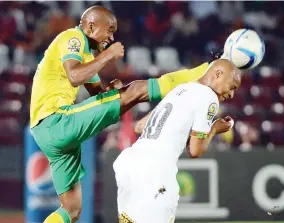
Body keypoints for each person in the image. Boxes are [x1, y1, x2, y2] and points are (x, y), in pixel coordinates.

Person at [29, 5, 222, 223]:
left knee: (71, 210)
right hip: (56, 120)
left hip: (46, 132)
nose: (111, 38)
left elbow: (98, 93)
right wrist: (108, 57)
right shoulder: (72, 37)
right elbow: (75, 76)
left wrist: (111, 89)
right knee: (138, 90)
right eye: (109, 30)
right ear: (91, 26)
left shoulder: (85, 54)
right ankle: (203, 73)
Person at [113, 59, 241, 223]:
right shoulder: (209, 97)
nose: (231, 95)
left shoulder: (181, 89)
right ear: (217, 74)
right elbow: (195, 150)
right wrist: (215, 129)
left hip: (130, 161)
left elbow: (140, 126)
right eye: (232, 87)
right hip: (155, 169)